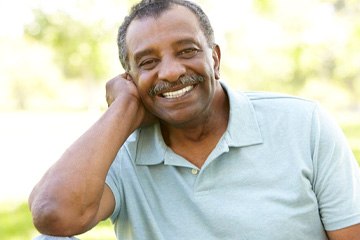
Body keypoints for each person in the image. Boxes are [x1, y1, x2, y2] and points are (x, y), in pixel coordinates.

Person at [29, 0, 360, 239]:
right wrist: (122, 109)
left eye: (187, 51)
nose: (172, 71)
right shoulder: (120, 153)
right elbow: (54, 215)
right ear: (129, 78)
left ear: (214, 58)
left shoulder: (303, 124)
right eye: (147, 62)